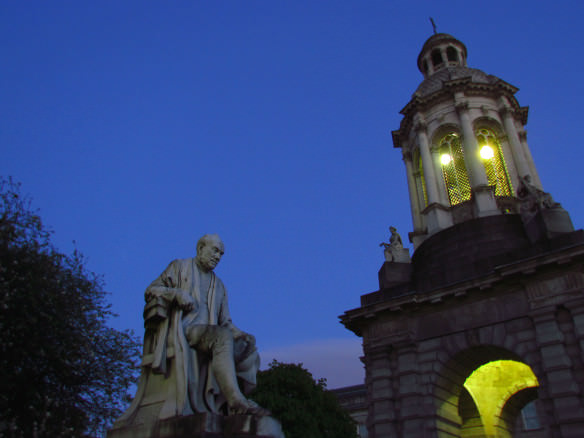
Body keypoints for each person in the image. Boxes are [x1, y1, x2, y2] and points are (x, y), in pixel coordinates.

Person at [116, 234, 268, 426]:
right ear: (200, 248)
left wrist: (242, 335)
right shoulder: (179, 267)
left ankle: (233, 405)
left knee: (249, 349)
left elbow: (226, 322)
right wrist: (175, 293)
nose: (218, 256)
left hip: (211, 334)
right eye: (215, 250)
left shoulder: (219, 285)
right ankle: (235, 401)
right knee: (222, 337)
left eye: (221, 253)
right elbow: (151, 290)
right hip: (186, 330)